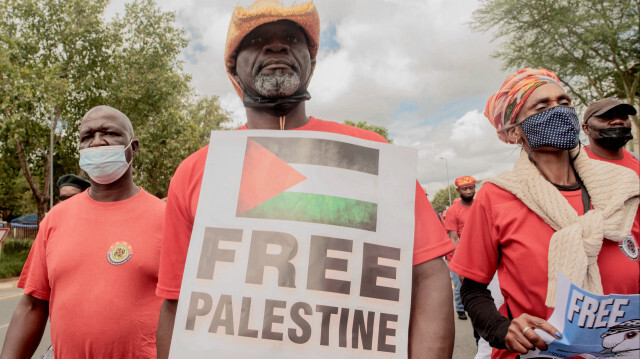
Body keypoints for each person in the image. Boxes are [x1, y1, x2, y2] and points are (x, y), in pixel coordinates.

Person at [155, 1, 455, 358]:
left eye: (293, 39)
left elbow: (428, 276)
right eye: (257, 39)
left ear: (311, 63)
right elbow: (176, 302)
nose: (277, 46)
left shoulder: (373, 153)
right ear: (233, 66)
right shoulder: (196, 171)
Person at [449, 68, 640, 359]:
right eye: (542, 106)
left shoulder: (623, 188)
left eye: (564, 102)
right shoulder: (497, 196)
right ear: (514, 131)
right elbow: (473, 289)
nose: (559, 111)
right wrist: (502, 329)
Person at [1, 106, 166, 358]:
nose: (97, 142)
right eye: (87, 136)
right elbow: (33, 305)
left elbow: (185, 310)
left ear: (133, 147)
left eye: (109, 133)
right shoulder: (56, 218)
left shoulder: (166, 218)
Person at [444, 175, 477, 320]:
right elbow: (453, 238)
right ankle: (460, 308)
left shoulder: (481, 205)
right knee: (459, 286)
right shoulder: (453, 210)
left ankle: (476, 307)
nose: (469, 191)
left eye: (471, 188)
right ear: (458, 191)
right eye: (465, 189)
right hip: (459, 256)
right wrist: (460, 264)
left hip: (478, 254)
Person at [582, 97, 639, 176]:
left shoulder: (637, 161)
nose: (618, 121)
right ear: (586, 128)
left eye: (623, 116)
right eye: (606, 117)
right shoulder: (571, 165)